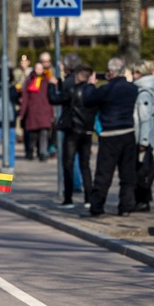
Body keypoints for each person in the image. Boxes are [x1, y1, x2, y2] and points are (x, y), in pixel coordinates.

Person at [84, 59, 139, 217]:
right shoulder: (132, 89)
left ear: (110, 72)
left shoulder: (105, 90)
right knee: (127, 173)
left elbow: (88, 100)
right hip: (128, 131)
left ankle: (97, 207)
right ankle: (126, 206)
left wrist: (90, 85)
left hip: (109, 134)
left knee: (104, 173)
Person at [49, 66, 95, 208]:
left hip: (73, 131)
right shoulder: (93, 93)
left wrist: (51, 85)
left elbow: (53, 99)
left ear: (78, 77)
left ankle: (68, 199)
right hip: (87, 132)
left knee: (68, 164)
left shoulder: (72, 91)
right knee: (85, 165)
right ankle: (89, 198)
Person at [131, 63, 154, 212]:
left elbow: (145, 119)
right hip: (143, 136)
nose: (133, 76)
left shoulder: (143, 93)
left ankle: (142, 201)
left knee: (142, 171)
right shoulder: (144, 91)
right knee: (142, 170)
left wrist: (143, 141)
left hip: (142, 138)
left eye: (136, 73)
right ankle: (141, 200)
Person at [17, 56, 53, 161]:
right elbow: (25, 98)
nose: (39, 70)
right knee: (32, 135)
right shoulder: (29, 81)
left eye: (40, 68)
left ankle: (42, 153)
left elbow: (50, 98)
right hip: (32, 112)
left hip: (44, 112)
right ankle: (30, 152)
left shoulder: (47, 81)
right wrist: (22, 113)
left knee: (44, 134)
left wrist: (52, 113)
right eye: (37, 68)